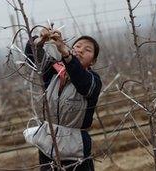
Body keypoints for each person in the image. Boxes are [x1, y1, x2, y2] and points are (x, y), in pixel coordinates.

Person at [25, 28, 102, 171]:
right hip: (48, 146)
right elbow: (32, 55)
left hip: (75, 151)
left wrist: (66, 55)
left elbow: (81, 81)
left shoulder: (92, 81)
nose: (80, 50)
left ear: (93, 61)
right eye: (77, 46)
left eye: (87, 50)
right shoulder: (54, 72)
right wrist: (39, 41)